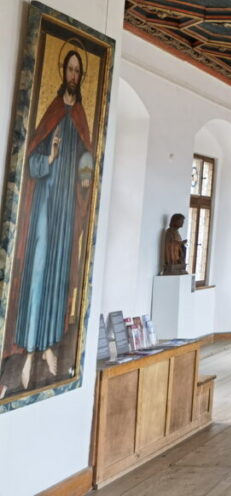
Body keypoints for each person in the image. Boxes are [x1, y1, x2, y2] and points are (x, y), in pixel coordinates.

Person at [12, 49, 94, 390]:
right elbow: (29, 164)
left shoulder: (82, 118)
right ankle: (29, 349)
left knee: (59, 272)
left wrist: (86, 174)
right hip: (46, 202)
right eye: (70, 69)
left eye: (78, 71)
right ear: (63, 71)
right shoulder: (52, 113)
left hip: (66, 207)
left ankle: (48, 346)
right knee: (39, 270)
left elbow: (88, 161)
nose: (73, 75)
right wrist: (52, 157)